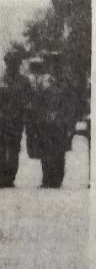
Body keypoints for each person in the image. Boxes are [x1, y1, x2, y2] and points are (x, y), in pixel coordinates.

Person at [0, 50, 30, 188]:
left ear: (18, 63)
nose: (12, 65)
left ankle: (10, 177)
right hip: (0, 120)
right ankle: (0, 177)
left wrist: (23, 111)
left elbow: (29, 98)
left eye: (15, 62)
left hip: (16, 120)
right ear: (6, 63)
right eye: (9, 62)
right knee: (0, 149)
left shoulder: (24, 81)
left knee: (14, 148)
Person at [30, 52, 75, 188]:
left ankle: (57, 179)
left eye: (57, 63)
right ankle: (46, 178)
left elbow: (70, 103)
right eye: (52, 64)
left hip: (61, 122)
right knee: (46, 150)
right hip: (45, 121)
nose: (55, 66)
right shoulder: (44, 81)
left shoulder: (67, 82)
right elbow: (38, 100)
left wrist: (69, 122)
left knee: (59, 151)